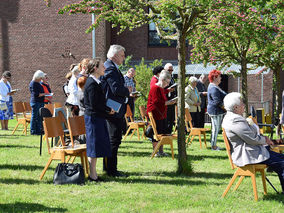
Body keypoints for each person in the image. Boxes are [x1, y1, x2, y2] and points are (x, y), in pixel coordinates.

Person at [222, 92, 284, 194]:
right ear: (236, 107)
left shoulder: (232, 117)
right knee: (282, 165)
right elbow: (252, 139)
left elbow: (251, 136)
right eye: (242, 103)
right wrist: (265, 140)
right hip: (249, 155)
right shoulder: (235, 120)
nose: (243, 105)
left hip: (252, 151)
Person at [100, 44, 130, 177]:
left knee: (114, 139)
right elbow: (116, 89)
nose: (124, 58)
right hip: (112, 109)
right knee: (114, 139)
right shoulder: (110, 68)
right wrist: (128, 91)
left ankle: (109, 167)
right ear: (115, 55)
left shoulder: (112, 67)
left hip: (115, 108)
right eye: (122, 55)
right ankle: (111, 170)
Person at [84, 58, 115, 182]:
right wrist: (108, 110)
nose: (105, 68)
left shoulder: (96, 82)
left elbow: (99, 102)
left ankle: (93, 174)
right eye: (102, 66)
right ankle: (93, 175)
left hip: (97, 117)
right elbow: (94, 104)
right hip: (93, 118)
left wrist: (108, 109)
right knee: (93, 146)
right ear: (95, 68)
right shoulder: (91, 83)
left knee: (96, 146)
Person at [147, 70, 176, 157]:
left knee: (162, 132)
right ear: (162, 80)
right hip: (156, 114)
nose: (167, 84)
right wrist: (169, 102)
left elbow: (162, 95)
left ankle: (161, 151)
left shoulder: (160, 88)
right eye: (167, 82)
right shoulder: (155, 88)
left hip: (161, 114)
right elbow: (157, 102)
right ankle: (156, 151)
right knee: (156, 134)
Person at [207, 69, 227, 150]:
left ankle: (213, 144)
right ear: (215, 77)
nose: (221, 78)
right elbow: (217, 101)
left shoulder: (214, 86)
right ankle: (213, 146)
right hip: (215, 111)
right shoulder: (213, 88)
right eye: (219, 77)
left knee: (216, 128)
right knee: (215, 129)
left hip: (217, 111)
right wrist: (226, 108)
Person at [29, 70, 48, 135]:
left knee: (39, 117)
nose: (41, 79)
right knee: (34, 117)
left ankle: (39, 131)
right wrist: (44, 94)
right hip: (35, 102)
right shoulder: (33, 83)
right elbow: (36, 94)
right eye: (40, 78)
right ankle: (33, 131)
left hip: (40, 102)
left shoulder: (38, 83)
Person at [164, 63, 176, 133]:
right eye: (169, 70)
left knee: (171, 117)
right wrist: (168, 89)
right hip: (166, 100)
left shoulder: (172, 78)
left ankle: (169, 131)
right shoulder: (164, 78)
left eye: (172, 70)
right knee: (167, 117)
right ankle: (167, 131)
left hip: (172, 99)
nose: (170, 71)